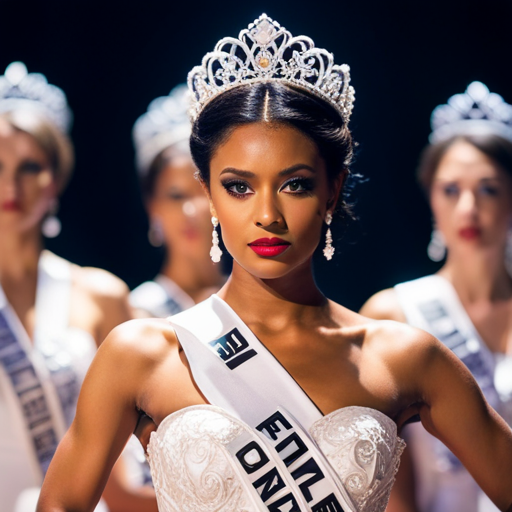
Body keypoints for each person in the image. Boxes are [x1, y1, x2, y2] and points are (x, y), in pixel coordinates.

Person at [37, 15, 512, 512]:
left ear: (333, 191)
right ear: (210, 196)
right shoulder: (140, 354)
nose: (267, 215)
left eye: (296, 184)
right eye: (239, 187)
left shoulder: (405, 358)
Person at [0, 62, 149, 512]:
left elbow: (144, 450)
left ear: (57, 180)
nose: (11, 185)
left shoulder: (100, 295)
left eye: (30, 167)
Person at [360, 81, 512, 512]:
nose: (468, 207)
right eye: (451, 190)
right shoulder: (395, 312)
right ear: (431, 198)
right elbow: (382, 480)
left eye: (488, 188)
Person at [130, 84, 224, 319]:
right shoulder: (138, 313)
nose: (190, 210)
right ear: (152, 205)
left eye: (204, 192)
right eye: (176, 196)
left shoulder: (258, 301)